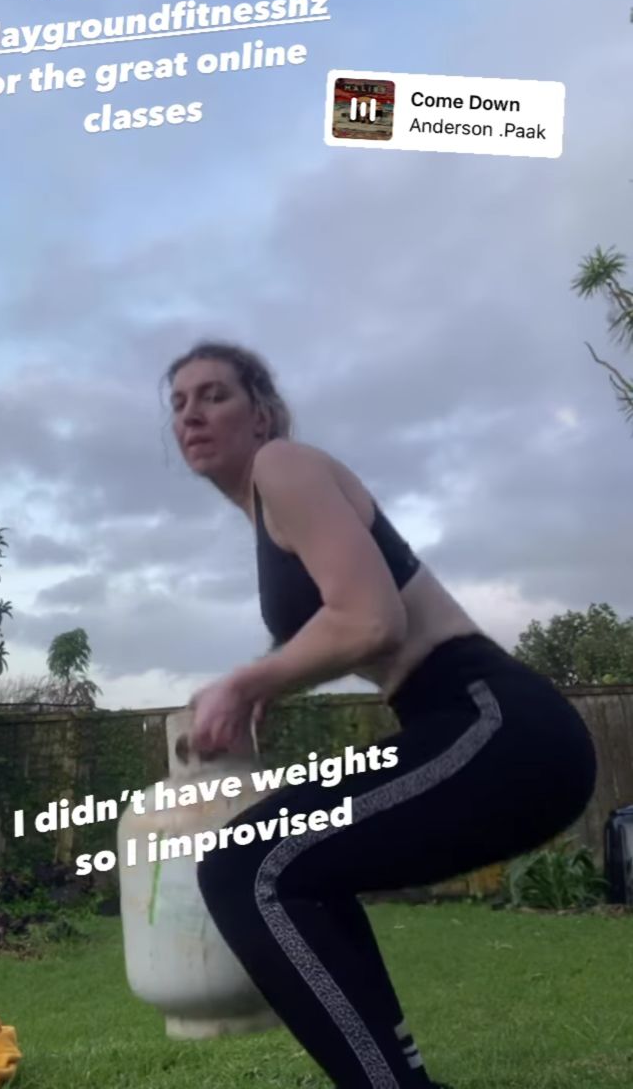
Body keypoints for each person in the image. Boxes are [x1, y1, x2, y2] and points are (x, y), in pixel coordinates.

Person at [164, 340, 597, 1089]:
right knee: (292, 869)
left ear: (262, 414)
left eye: (213, 395)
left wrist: (248, 682)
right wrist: (265, 689)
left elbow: (372, 621)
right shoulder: (270, 509)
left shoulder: (283, 466)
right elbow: (344, 628)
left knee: (246, 866)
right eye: (177, 404)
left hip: (493, 722)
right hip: (460, 722)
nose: (190, 415)